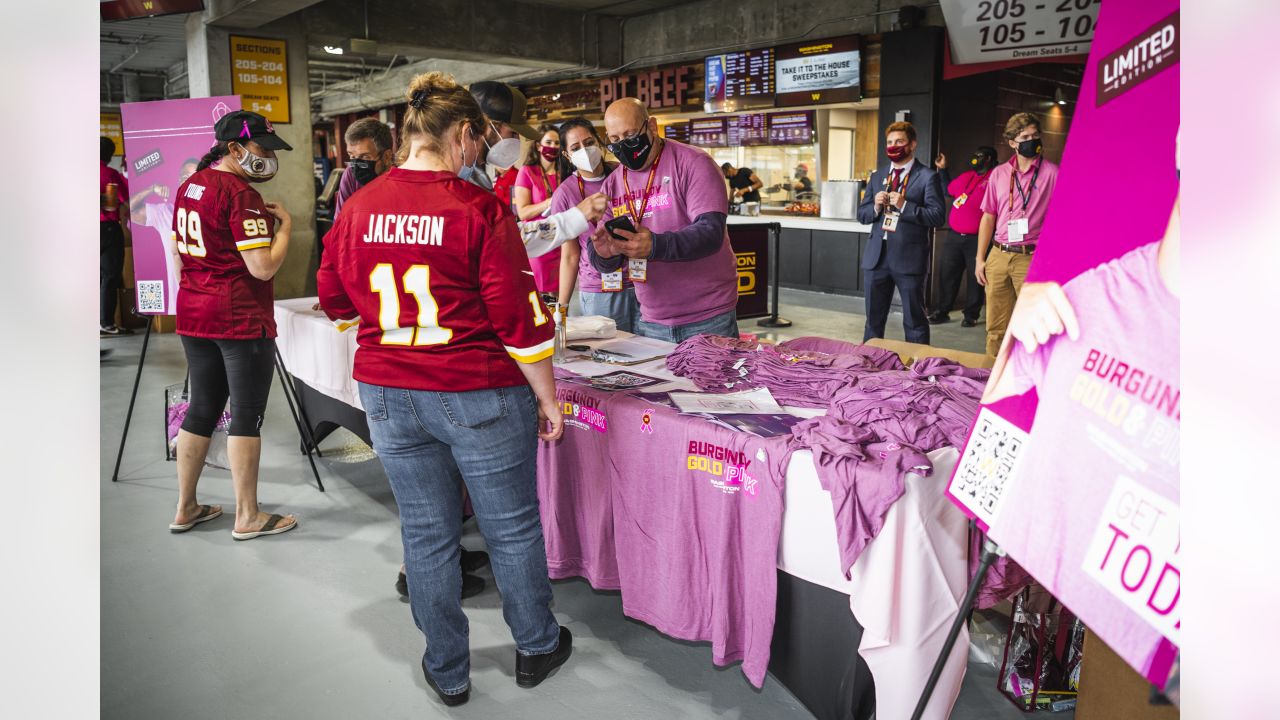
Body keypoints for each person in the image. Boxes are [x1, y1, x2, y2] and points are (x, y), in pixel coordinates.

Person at [317, 72, 573, 707]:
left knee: (427, 531)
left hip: (386, 391)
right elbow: (519, 319)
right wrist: (547, 395)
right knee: (510, 527)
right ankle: (536, 646)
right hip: (474, 390)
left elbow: (333, 300)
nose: (478, 154)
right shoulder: (477, 208)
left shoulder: (358, 207)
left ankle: (447, 669)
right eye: (477, 142)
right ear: (462, 133)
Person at [169, 110, 298, 541]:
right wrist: (286, 230)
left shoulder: (190, 184)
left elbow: (181, 250)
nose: (267, 158)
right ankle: (248, 515)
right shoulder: (241, 195)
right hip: (238, 317)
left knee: (202, 408)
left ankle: (186, 506)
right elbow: (261, 268)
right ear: (234, 149)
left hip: (194, 312)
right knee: (246, 414)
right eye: (261, 149)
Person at [586, 98, 740, 342]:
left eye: (630, 134)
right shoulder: (613, 184)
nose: (623, 145)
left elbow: (710, 232)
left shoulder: (693, 163)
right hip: (651, 319)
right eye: (615, 140)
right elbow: (602, 261)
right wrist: (606, 253)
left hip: (708, 316)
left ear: (652, 127)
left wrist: (655, 246)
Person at [466, 81, 608, 256]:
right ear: (488, 125)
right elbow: (506, 238)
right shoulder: (461, 179)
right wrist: (578, 215)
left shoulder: (476, 175)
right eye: (513, 132)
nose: (517, 140)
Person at [975, 112, 1060, 356]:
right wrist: (980, 258)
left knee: (1033, 324)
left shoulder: (1052, 173)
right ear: (1012, 142)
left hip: (1031, 256)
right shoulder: (999, 174)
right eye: (1025, 137)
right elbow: (988, 216)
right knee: (996, 326)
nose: (1032, 140)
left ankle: (1030, 383)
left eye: (1035, 135)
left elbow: (1060, 219)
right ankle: (993, 378)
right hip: (999, 255)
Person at [855, 121, 946, 345]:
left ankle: (919, 368)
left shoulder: (927, 176)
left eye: (899, 142)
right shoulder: (877, 176)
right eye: (889, 142)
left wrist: (906, 206)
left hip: (909, 259)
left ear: (912, 144)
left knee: (914, 320)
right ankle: (869, 363)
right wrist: (875, 207)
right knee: (873, 320)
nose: (893, 146)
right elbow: (862, 215)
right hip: (877, 258)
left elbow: (937, 216)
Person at [548, 118, 638, 330]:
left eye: (589, 143)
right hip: (600, 290)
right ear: (566, 155)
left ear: (599, 142)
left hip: (642, 283)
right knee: (612, 356)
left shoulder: (624, 174)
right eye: (575, 147)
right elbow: (570, 255)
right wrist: (562, 307)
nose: (585, 150)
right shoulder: (565, 193)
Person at [930, 146, 996, 327]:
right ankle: (943, 311)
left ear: (989, 159)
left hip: (978, 238)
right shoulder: (967, 176)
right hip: (954, 236)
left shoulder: (995, 177)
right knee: (947, 274)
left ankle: (971, 315)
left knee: (976, 278)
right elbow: (947, 189)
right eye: (974, 155)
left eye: (980, 156)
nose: (975, 158)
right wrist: (943, 169)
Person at [513, 124, 565, 296]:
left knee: (561, 299)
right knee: (541, 299)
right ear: (538, 145)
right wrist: (550, 202)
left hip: (562, 241)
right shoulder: (527, 171)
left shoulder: (565, 172)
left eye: (557, 143)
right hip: (539, 243)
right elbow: (523, 212)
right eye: (549, 142)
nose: (553, 147)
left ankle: (560, 324)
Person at [334, 117, 395, 217]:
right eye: (352, 156)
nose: (357, 165)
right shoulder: (350, 174)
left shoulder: (403, 177)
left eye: (365, 156)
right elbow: (340, 222)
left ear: (387, 156)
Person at [100, 137, 130, 335]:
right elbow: (123, 199)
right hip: (107, 228)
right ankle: (106, 323)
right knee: (110, 276)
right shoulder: (110, 173)